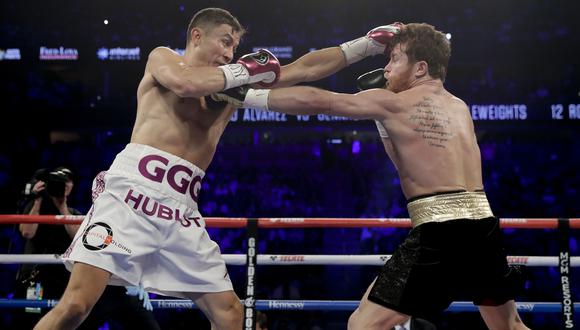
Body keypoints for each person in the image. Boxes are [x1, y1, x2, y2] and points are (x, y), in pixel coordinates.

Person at [34, 7, 398, 330]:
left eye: (234, 48)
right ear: (196, 35)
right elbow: (185, 83)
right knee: (76, 306)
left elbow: (301, 69)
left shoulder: (229, 89)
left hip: (181, 210)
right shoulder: (163, 59)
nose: (229, 52)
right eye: (224, 42)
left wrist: (364, 45)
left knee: (230, 315)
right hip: (130, 195)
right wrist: (244, 69)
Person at [212, 23, 530, 329]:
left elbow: (322, 102)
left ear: (420, 69)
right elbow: (408, 164)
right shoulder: (459, 107)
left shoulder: (393, 102)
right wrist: (381, 121)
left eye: (394, 59)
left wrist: (245, 96)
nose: (387, 69)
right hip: (484, 228)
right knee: (510, 326)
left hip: (440, 233)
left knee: (363, 324)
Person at [16, 167, 160, 330]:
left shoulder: (74, 212)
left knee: (70, 318)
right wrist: (37, 199)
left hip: (66, 280)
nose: (64, 184)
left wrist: (62, 207)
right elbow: (27, 232)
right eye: (59, 181)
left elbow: (81, 240)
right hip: (38, 280)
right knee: (33, 320)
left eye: (67, 181)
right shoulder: (36, 208)